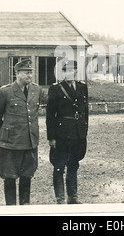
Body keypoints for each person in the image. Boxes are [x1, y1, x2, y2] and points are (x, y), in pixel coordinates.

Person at [0, 59, 43, 205]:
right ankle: (11, 209)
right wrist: (6, 132)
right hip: (11, 144)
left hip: (29, 141)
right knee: (10, 176)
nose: (30, 75)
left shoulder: (36, 90)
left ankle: (25, 208)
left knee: (27, 175)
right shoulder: (6, 92)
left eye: (31, 72)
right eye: (26, 72)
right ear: (17, 74)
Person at [46, 60, 89, 204]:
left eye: (73, 71)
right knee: (59, 166)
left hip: (78, 133)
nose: (70, 74)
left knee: (74, 164)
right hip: (62, 134)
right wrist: (51, 137)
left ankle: (73, 197)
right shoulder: (56, 89)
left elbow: (85, 111)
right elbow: (50, 115)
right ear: (63, 73)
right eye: (67, 71)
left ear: (76, 72)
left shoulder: (83, 87)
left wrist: (84, 131)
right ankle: (60, 198)